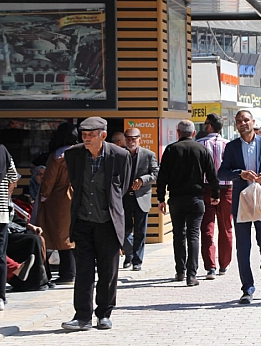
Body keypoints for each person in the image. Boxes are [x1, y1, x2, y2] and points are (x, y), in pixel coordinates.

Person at [61, 117, 131, 331]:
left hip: (108, 222)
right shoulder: (73, 155)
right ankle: (82, 316)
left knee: (108, 271)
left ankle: (104, 314)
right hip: (82, 221)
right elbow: (75, 183)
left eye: (91, 135)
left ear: (103, 135)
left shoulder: (120, 155)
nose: (86, 139)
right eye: (84, 135)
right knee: (83, 271)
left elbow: (124, 187)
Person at [218, 110, 261, 305]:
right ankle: (247, 288)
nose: (242, 123)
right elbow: (222, 173)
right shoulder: (231, 147)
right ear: (236, 124)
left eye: (246, 120)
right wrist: (240, 174)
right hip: (241, 204)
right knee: (243, 248)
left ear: (253, 122)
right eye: (239, 121)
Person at [157, 120, 220, 287]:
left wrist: (160, 198)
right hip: (196, 199)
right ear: (193, 133)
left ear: (178, 132)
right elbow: (212, 174)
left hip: (176, 199)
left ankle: (180, 270)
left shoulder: (170, 150)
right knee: (193, 235)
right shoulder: (202, 149)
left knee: (179, 235)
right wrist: (215, 194)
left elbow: (162, 176)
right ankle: (192, 275)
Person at [37, 122, 77, 285]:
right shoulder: (81, 152)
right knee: (71, 235)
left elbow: (49, 180)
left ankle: (67, 273)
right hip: (77, 195)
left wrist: (44, 196)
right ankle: (72, 271)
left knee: (59, 235)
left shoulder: (57, 156)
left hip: (59, 198)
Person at [196, 114, 233, 279]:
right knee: (226, 227)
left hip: (205, 189)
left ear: (209, 126)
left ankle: (210, 266)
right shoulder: (229, 145)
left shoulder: (199, 145)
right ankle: (224, 264)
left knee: (207, 227)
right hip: (226, 189)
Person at [121, 127, 159, 272]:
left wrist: (142, 180)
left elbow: (155, 173)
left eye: (134, 139)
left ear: (139, 139)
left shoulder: (148, 155)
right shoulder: (120, 154)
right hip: (124, 198)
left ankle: (137, 260)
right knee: (123, 231)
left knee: (140, 231)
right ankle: (129, 255)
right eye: (128, 139)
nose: (131, 142)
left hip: (141, 197)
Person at [0, 144, 19, 311]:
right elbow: (14, 177)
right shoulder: (3, 151)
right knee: (0, 254)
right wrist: (6, 197)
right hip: (1, 213)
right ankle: (0, 296)